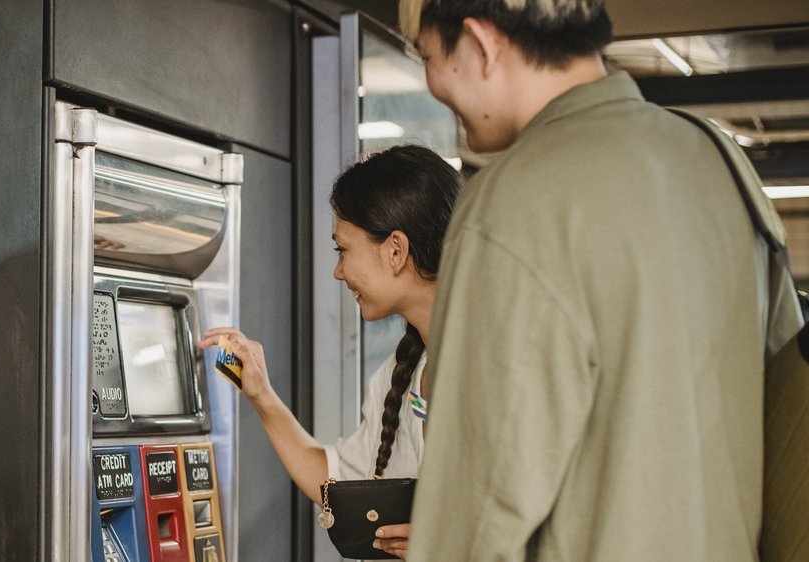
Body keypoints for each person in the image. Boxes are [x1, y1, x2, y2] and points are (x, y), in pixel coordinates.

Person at [398, 0, 803, 560]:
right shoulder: (718, 160)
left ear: (480, 43)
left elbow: (476, 517)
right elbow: (787, 418)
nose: (432, 84)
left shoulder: (514, 201)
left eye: (426, 56)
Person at [199, 144, 461, 560]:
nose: (338, 271)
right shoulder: (403, 371)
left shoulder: (500, 365)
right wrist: (261, 395)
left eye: (343, 250)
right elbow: (334, 483)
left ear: (395, 250)